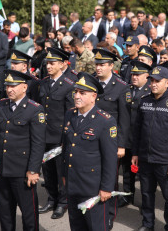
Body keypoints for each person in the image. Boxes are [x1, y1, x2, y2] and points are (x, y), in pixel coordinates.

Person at [0, 69, 46, 231]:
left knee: (28, 214)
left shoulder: (35, 109)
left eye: (14, 86)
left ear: (24, 88)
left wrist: (33, 170)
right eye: (7, 86)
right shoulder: (2, 105)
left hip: (22, 171)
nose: (9, 89)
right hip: (3, 169)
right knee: (5, 212)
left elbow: (38, 143)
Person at [132, 66, 168, 231]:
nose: (153, 84)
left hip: (165, 161)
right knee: (147, 194)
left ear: (167, 83)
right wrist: (135, 153)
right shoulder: (144, 100)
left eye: (157, 81)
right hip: (146, 158)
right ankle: (148, 223)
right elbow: (137, 130)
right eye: (152, 81)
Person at [61, 72, 118, 231]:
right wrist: (64, 175)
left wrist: (106, 187)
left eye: (82, 93)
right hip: (73, 183)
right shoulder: (70, 114)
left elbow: (110, 159)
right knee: (76, 225)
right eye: (76, 92)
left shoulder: (105, 121)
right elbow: (66, 148)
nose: (77, 96)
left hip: (92, 187)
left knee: (95, 226)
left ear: (93, 96)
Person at [93, 48, 131, 229]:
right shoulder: (90, 81)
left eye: (102, 65)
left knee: (110, 178)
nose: (98, 68)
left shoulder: (121, 86)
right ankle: (94, 208)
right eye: (97, 64)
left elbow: (124, 120)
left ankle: (109, 214)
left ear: (111, 66)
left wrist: (121, 145)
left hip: (110, 141)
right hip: (90, 139)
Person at [37, 47, 77, 219]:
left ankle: (62, 202)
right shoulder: (44, 82)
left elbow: (71, 114)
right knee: (48, 171)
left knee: (61, 172)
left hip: (59, 137)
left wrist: (65, 138)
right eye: (47, 63)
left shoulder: (69, 85)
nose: (49, 66)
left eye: (53, 63)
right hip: (43, 135)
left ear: (62, 64)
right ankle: (51, 199)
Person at [118, 61, 152, 208]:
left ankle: (146, 203)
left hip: (143, 140)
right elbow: (122, 118)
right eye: (132, 74)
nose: (134, 77)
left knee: (144, 175)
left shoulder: (150, 92)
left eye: (138, 75)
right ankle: (127, 195)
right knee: (127, 171)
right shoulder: (126, 90)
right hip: (128, 138)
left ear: (147, 76)